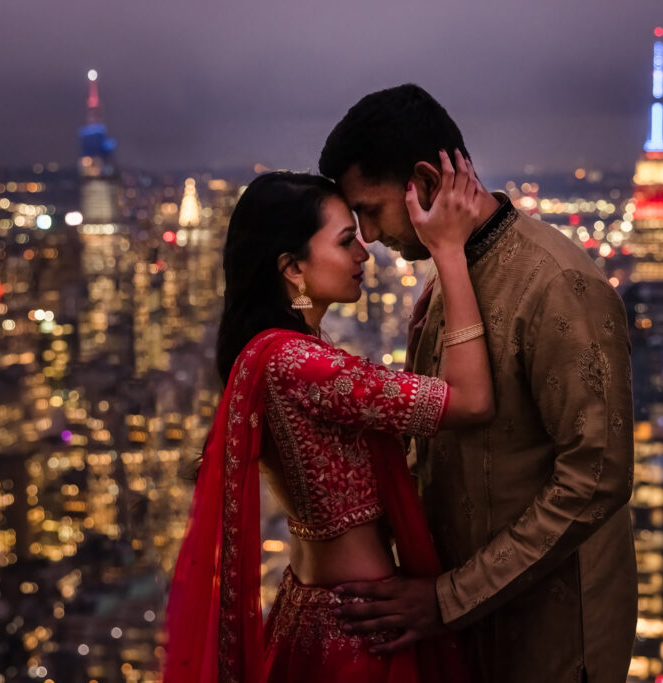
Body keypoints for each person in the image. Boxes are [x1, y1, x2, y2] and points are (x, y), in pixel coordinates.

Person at [318, 84, 638, 683]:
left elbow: (598, 477)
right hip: (464, 625)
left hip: (552, 635)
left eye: (369, 210)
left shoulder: (558, 284)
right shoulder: (449, 278)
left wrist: (448, 599)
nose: (366, 234)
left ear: (425, 181)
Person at [163, 158, 493, 682]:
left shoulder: (284, 354)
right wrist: (448, 251)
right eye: (345, 241)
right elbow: (472, 401)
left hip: (318, 615)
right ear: (293, 268)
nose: (364, 250)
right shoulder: (303, 364)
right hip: (361, 636)